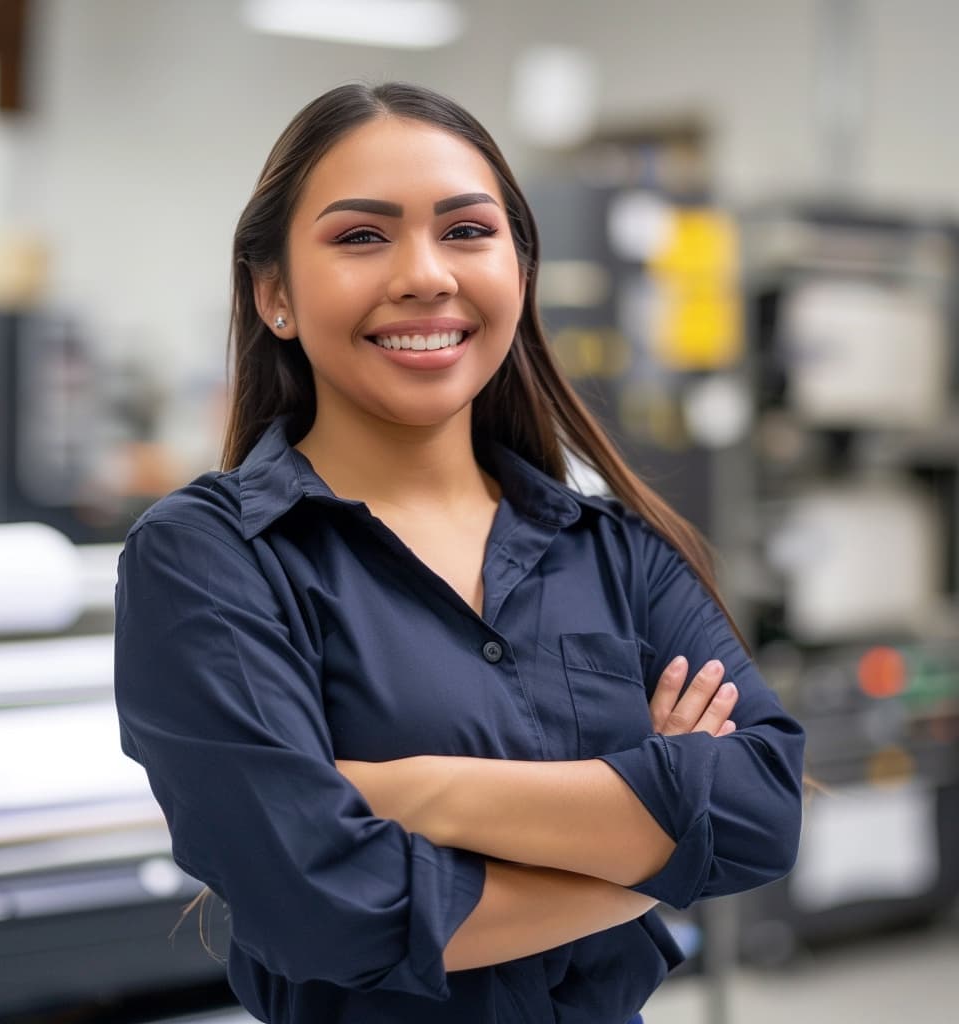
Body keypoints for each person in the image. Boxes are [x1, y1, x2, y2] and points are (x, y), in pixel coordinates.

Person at [113, 81, 805, 1024]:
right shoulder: (210, 560)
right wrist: (652, 852)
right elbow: (331, 909)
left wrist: (419, 792)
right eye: (363, 236)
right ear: (274, 293)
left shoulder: (619, 553)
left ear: (519, 272)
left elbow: (762, 808)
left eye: (468, 231)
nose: (425, 275)